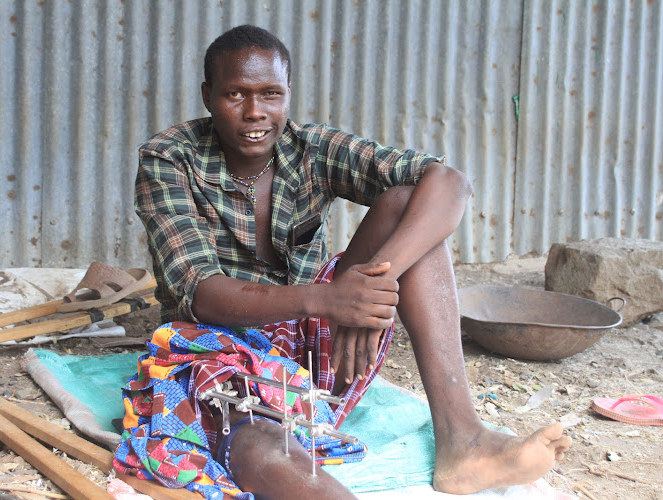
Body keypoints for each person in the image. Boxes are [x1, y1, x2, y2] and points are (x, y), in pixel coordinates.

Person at [114, 24, 572, 499]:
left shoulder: (311, 149)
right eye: (236, 94)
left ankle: (463, 440)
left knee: (405, 204)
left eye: (270, 94)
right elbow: (200, 292)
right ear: (209, 97)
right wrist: (330, 300)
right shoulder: (169, 159)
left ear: (287, 94)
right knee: (256, 437)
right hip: (215, 351)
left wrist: (373, 285)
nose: (255, 112)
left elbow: (449, 181)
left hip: (315, 351)